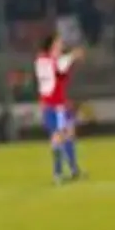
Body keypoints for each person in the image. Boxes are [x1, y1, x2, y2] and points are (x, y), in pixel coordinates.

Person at [35, 32, 84, 183]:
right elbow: (58, 66)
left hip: (60, 104)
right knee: (58, 136)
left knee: (68, 133)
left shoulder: (45, 60)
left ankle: (73, 169)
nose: (61, 45)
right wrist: (73, 55)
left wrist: (71, 57)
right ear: (52, 45)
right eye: (58, 42)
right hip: (54, 105)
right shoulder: (46, 61)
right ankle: (58, 172)